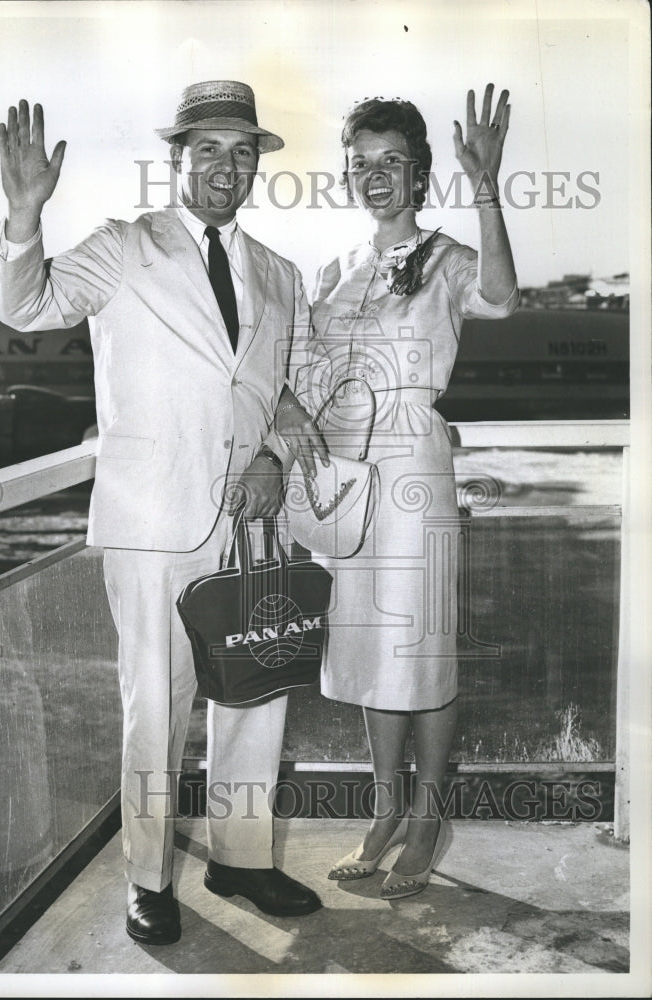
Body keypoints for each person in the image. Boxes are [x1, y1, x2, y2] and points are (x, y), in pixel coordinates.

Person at [0, 80, 323, 946]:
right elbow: (23, 306)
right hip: (150, 522)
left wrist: (274, 454)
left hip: (248, 519)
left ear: (257, 166)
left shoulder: (279, 276)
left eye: (241, 150)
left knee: (255, 690)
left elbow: (292, 386)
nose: (226, 165)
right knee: (157, 704)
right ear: (176, 160)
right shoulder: (123, 249)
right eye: (206, 148)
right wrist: (24, 217)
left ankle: (242, 858)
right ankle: (147, 875)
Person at [274, 85, 518, 898]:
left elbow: (501, 296)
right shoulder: (335, 270)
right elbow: (302, 370)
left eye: (392, 164)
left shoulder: (448, 258)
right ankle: (382, 811)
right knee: (369, 653)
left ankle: (427, 815)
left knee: (422, 648)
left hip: (413, 467)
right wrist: (285, 407)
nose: (374, 177)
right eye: (360, 165)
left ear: (418, 176)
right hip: (347, 477)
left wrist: (485, 184)